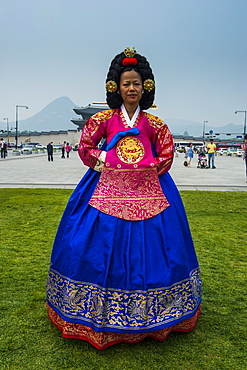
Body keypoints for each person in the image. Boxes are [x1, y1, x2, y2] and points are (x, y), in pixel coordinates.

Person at [46, 47, 202, 349]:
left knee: (160, 246)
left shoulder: (155, 125)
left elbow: (167, 155)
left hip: (151, 190)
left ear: (146, 87)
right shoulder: (103, 119)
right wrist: (110, 160)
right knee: (93, 245)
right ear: (115, 87)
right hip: (105, 187)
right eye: (126, 83)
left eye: (137, 83)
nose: (132, 88)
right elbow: (86, 148)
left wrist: (143, 167)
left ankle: (158, 312)